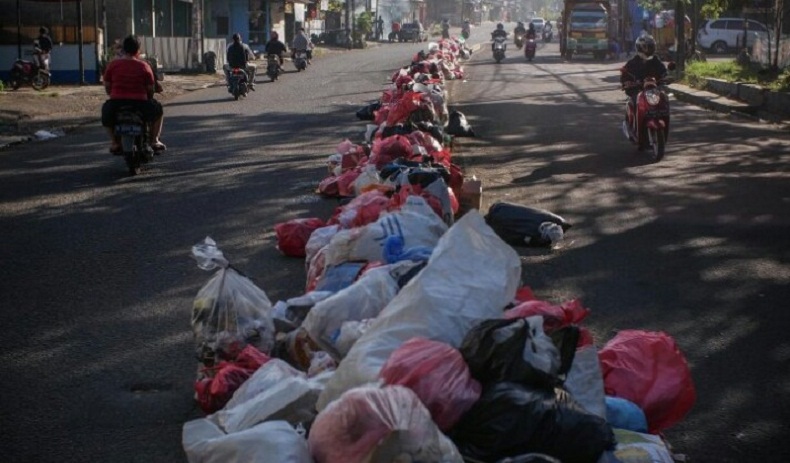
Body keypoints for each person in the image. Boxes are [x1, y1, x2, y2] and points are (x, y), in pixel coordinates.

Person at [101, 35, 165, 153]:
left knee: (106, 114)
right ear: (138, 50)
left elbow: (107, 85)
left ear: (123, 49)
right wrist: (149, 98)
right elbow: (150, 88)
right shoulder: (144, 66)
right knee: (158, 110)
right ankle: (154, 140)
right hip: (140, 103)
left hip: (117, 103)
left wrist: (112, 95)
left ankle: (114, 143)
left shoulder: (113, 65)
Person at [620, 35, 667, 134]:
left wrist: (666, 77)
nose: (648, 49)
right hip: (637, 89)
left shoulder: (656, 61)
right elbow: (625, 74)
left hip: (653, 89)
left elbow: (663, 72)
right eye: (645, 47)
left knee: (664, 99)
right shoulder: (632, 63)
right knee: (634, 101)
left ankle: (663, 119)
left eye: (650, 47)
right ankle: (632, 127)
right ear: (639, 48)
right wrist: (626, 82)